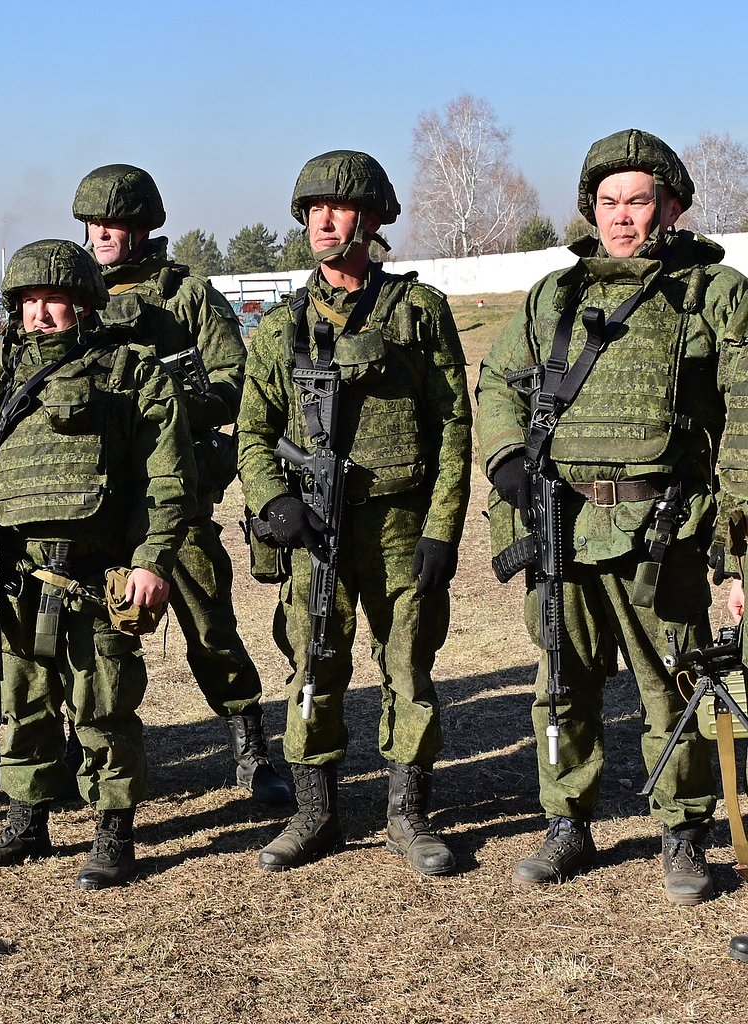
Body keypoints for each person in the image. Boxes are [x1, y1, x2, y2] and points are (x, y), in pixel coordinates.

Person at [475, 128, 748, 905]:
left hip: (665, 533)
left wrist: (735, 551)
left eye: (637, 201)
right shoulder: (555, 296)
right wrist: (509, 463)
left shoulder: (714, 296)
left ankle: (684, 832)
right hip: (565, 526)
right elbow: (498, 380)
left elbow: (745, 424)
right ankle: (568, 822)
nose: (621, 217)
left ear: (672, 206)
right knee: (560, 683)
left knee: (674, 687)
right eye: (607, 202)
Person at [0, 239, 196, 889]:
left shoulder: (132, 374)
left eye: (55, 300)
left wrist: (153, 560)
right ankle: (28, 819)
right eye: (28, 302)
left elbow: (169, 480)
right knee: (22, 701)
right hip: (15, 572)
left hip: (98, 574)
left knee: (104, 703)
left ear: (84, 304)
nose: (40, 315)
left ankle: (113, 830)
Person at [237, 150, 472, 873]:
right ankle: (316, 813)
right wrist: (275, 501)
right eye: (313, 210)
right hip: (316, 530)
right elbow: (251, 431)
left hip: (401, 524)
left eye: (339, 209)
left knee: (408, 666)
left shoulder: (418, 311)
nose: (324, 221)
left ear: (372, 221)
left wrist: (441, 528)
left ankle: (408, 813)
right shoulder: (281, 328)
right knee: (313, 663)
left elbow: (454, 425)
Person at [71, 164, 291, 804]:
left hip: (173, 497)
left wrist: (162, 399)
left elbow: (233, 385)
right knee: (78, 634)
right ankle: (72, 754)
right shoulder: (72, 291)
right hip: (87, 499)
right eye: (94, 223)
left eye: (115, 222)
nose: (103, 233)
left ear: (142, 227)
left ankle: (250, 750)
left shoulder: (187, 295)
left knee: (208, 622)